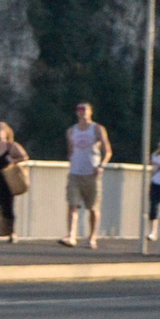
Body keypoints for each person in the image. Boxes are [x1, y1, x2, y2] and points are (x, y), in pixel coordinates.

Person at [60, 102, 111, 249]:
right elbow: (70, 150)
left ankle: (92, 236)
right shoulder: (71, 131)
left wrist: (101, 165)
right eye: (79, 109)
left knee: (93, 207)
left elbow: (107, 150)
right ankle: (71, 235)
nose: (82, 112)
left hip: (92, 173)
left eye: (84, 109)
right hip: (75, 173)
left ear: (90, 112)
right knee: (72, 204)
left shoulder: (97, 129)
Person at [0, 122, 29, 241]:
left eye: (0, 130)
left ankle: (11, 232)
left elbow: (24, 156)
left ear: (6, 132)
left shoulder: (11, 146)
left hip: (7, 180)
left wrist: (13, 160)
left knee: (7, 206)